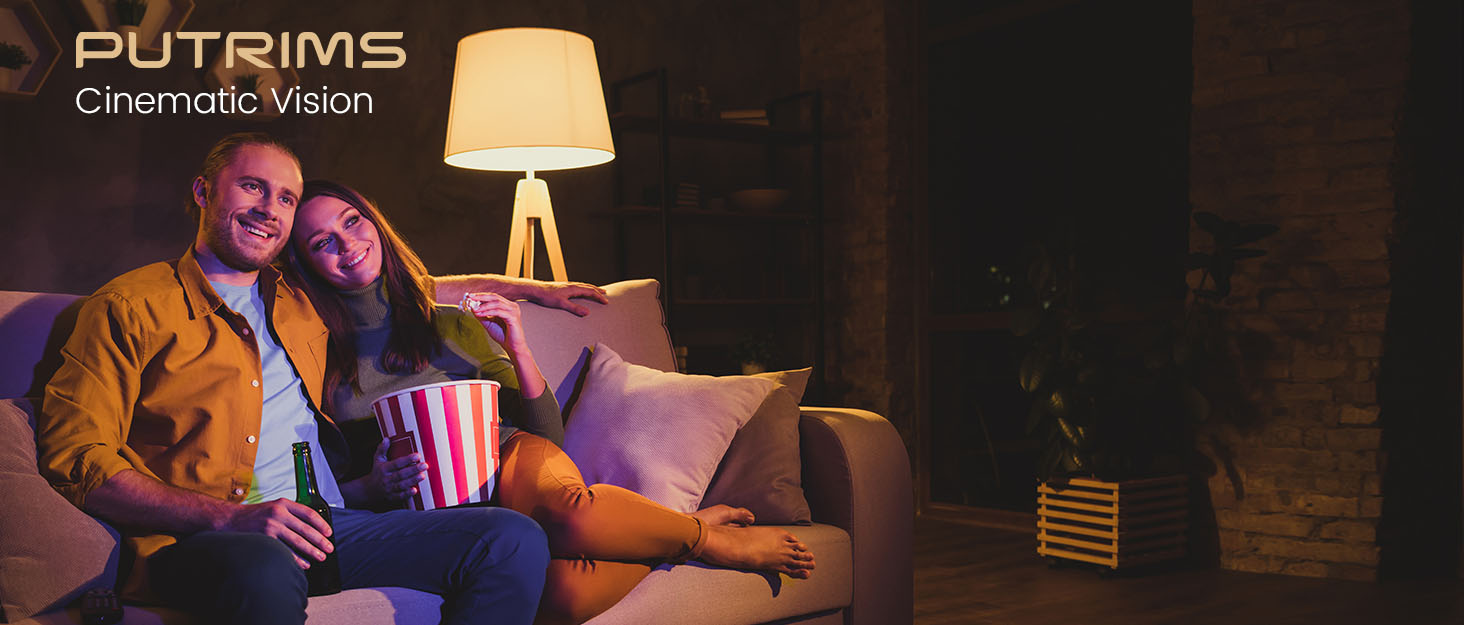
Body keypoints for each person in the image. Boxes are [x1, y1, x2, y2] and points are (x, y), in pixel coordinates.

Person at [33, 132, 594, 625]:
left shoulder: (301, 300)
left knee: (509, 538)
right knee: (264, 565)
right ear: (204, 192)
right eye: (252, 187)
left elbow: (390, 278)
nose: (269, 209)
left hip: (332, 526)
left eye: (285, 198)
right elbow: (78, 459)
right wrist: (232, 516)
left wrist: (527, 288)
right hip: (209, 539)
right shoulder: (130, 307)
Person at [287, 180, 817, 625]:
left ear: (374, 224)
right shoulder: (315, 358)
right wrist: (373, 485)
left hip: (512, 452)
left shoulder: (447, 324)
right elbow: (330, 480)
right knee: (559, 596)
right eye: (321, 241)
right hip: (434, 506)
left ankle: (708, 540)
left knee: (574, 515)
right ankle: (680, 530)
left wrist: (517, 339)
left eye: (352, 221)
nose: (346, 243)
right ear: (305, 264)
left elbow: (547, 435)